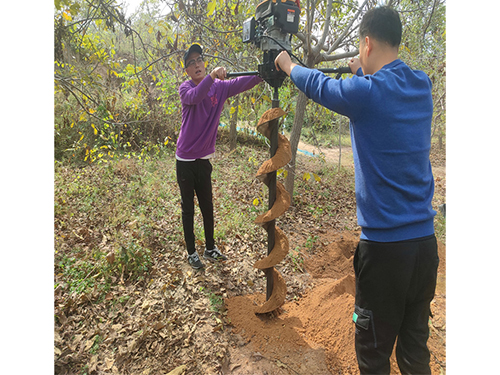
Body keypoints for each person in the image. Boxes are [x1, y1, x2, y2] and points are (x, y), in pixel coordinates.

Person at [274, 6, 438, 375]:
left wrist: (288, 65)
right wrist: (364, 70)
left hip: (384, 255)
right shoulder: (421, 85)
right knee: (414, 351)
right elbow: (385, 86)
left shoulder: (365, 93)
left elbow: (320, 86)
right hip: (424, 249)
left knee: (373, 354)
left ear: (365, 42)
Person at [177, 43, 263, 270]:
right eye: (191, 63)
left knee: (207, 205)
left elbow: (241, 83)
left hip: (203, 159)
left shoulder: (219, 88)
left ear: (204, 63)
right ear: (187, 70)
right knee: (188, 208)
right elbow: (196, 96)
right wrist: (213, 76)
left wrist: (262, 74)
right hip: (185, 159)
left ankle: (209, 248)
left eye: (199, 60)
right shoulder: (185, 89)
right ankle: (191, 251)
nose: (196, 65)